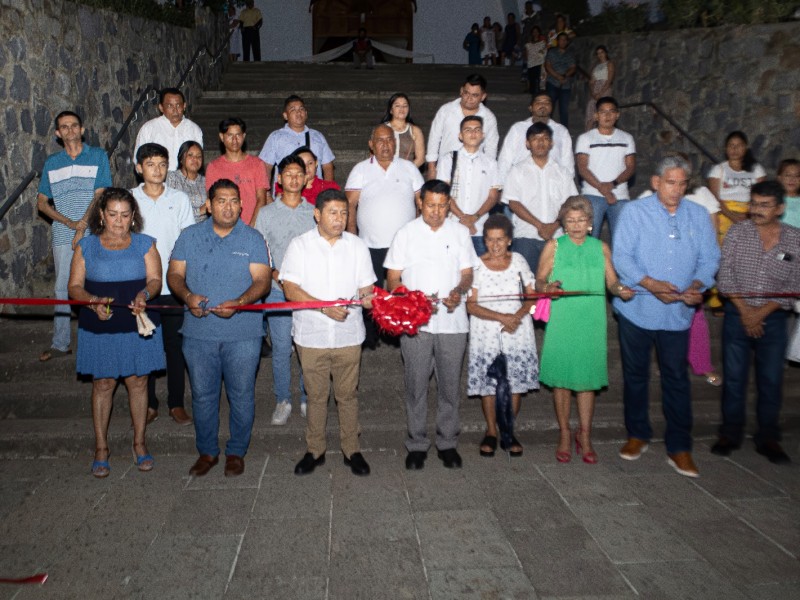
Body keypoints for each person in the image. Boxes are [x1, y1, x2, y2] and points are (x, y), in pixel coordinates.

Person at [612, 156, 720, 478]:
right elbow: (622, 258)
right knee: (635, 376)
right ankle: (637, 434)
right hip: (637, 311)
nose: (676, 189)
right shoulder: (634, 212)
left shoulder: (698, 215)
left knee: (676, 378)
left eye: (682, 183)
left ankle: (679, 447)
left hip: (677, 314)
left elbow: (710, 257)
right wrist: (650, 284)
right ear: (656, 183)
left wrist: (698, 284)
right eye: (670, 182)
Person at [168, 179, 272, 478]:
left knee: (241, 394)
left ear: (242, 205)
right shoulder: (189, 236)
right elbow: (174, 274)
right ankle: (207, 451)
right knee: (202, 395)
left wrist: (239, 302)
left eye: (234, 200)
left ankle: (237, 451)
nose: (229, 206)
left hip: (243, 333)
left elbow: (262, 281)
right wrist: (187, 296)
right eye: (222, 200)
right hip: (199, 332)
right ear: (209, 205)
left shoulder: (253, 238)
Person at [67, 188, 164, 477]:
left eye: (125, 215)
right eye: (112, 215)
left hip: (137, 320)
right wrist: (92, 301)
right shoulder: (87, 246)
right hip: (101, 322)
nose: (119, 221)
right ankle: (101, 448)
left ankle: (140, 443)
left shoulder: (146, 244)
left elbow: (156, 279)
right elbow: (74, 287)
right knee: (104, 383)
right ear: (101, 214)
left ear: (133, 216)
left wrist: (145, 294)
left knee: (138, 382)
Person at [385, 180, 480, 470]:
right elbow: (392, 278)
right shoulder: (406, 233)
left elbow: (467, 274)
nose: (436, 211)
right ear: (420, 203)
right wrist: (410, 298)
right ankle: (416, 444)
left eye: (442, 205)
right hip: (417, 324)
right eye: (430, 205)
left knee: (450, 385)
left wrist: (459, 292)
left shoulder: (461, 232)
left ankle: (448, 442)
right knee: (416, 385)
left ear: (449, 204)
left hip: (453, 322)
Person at [282, 189, 377, 477]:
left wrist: (369, 297)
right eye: (333, 213)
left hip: (349, 334)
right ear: (317, 214)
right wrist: (324, 308)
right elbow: (290, 289)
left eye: (344, 213)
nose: (339, 219)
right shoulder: (300, 246)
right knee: (316, 395)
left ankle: (352, 449)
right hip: (312, 335)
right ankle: (315, 450)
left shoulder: (357, 246)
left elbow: (366, 287)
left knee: (348, 395)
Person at [536, 196, 633, 464]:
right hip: (563, 318)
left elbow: (612, 283)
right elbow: (539, 281)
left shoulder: (601, 247)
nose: (576, 225)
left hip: (591, 319)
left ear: (591, 223)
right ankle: (565, 434)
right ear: (564, 224)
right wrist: (547, 288)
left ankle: (585, 435)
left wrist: (621, 291)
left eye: (581, 220)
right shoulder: (553, 246)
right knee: (562, 381)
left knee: (588, 380)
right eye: (570, 220)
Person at [713, 181, 800, 464]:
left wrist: (760, 313)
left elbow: (795, 284)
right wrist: (745, 311)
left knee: (771, 380)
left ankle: (768, 438)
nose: (757, 210)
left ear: (780, 208)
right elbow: (724, 277)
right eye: (754, 204)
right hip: (738, 315)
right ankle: (730, 433)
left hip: (773, 319)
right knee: (735, 379)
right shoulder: (738, 232)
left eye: (764, 205)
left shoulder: (794, 239)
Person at [37, 111, 112, 362]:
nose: (70, 130)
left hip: (93, 230)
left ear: (82, 129)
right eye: (64, 127)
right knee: (62, 287)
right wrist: (69, 223)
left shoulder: (98, 156)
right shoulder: (52, 162)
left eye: (74, 126)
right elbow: (42, 204)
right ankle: (60, 343)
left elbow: (100, 194)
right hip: (62, 232)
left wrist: (82, 226)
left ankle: (102, 337)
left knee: (96, 283)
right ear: (58, 134)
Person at [132, 143, 196, 426]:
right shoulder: (129, 200)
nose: (156, 170)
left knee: (175, 346)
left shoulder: (179, 198)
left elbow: (187, 238)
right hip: (140, 285)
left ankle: (176, 403)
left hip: (173, 284)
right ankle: (149, 404)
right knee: (144, 344)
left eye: (161, 164)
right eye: (150, 164)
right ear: (139, 168)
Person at [345, 124, 424, 348]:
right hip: (370, 243)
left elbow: (421, 202)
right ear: (371, 144)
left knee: (401, 289)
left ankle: (400, 330)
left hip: (403, 245)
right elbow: (350, 204)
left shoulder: (409, 168)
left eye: (389, 139)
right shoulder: (360, 169)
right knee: (370, 290)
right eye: (380, 140)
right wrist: (352, 236)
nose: (385, 144)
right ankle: (370, 335)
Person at [466, 214, 538, 458]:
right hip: (486, 329)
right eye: (490, 240)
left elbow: (531, 296)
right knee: (489, 385)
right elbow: (471, 306)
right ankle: (491, 432)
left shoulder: (518, 260)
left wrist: (516, 316)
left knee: (514, 382)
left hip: (516, 329)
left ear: (509, 240)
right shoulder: (476, 264)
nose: (495, 245)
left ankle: (508, 430)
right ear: (484, 240)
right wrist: (501, 318)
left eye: (500, 240)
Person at [254, 155, 316, 425]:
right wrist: (277, 275)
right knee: (280, 347)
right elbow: (260, 251)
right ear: (278, 179)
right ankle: (283, 399)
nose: (293, 178)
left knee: (306, 346)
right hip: (277, 289)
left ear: (305, 178)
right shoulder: (266, 213)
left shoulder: (314, 211)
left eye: (297, 173)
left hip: (307, 289)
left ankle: (306, 398)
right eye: (287, 173)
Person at [502, 122, 577, 275]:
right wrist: (540, 225)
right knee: (528, 286)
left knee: (555, 284)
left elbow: (571, 204)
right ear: (527, 143)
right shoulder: (517, 171)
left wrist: (555, 225)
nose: (540, 142)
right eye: (535, 138)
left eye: (545, 138)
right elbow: (513, 203)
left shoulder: (562, 172)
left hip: (557, 236)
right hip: (526, 236)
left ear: (551, 143)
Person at [436, 116, 502, 256]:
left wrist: (474, 218)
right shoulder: (448, 159)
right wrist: (463, 218)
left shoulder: (491, 163)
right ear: (460, 135)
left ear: (482, 135)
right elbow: (443, 193)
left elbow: (493, 196)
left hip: (479, 229)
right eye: (468, 130)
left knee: (479, 273)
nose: (473, 133)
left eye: (477, 130)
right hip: (452, 226)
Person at [575, 96, 636, 240]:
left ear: (617, 115)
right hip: (592, 194)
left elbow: (630, 167)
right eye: (603, 112)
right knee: (589, 239)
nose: (607, 116)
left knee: (622, 240)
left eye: (611, 112)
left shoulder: (627, 138)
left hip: (619, 195)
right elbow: (582, 167)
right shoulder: (586, 138)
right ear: (596, 115)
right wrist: (601, 187)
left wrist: (612, 184)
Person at [425, 74, 499, 181]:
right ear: (461, 91)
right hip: (445, 171)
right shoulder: (446, 110)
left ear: (483, 96)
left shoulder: (488, 118)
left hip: (474, 173)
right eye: (466, 93)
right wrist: (432, 168)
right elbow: (434, 138)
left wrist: (487, 174)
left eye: (475, 95)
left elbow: (491, 149)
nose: (469, 98)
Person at [258, 95, 336, 185]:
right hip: (286, 194)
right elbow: (266, 167)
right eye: (293, 110)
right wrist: (267, 194)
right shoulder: (276, 137)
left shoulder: (318, 136)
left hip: (315, 193)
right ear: (285, 115)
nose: (298, 113)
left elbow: (327, 166)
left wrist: (328, 191)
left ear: (306, 113)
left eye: (301, 109)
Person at [497, 92, 574, 182]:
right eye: (538, 102)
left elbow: (567, 161)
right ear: (531, 108)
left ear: (552, 108)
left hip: (551, 182)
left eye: (547, 103)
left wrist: (568, 184)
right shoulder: (518, 129)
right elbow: (505, 158)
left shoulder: (561, 131)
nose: (543, 105)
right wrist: (501, 184)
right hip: (521, 181)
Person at [205, 117, 269, 226]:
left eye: (238, 135)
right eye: (230, 135)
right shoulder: (213, 167)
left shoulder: (257, 164)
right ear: (222, 137)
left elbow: (261, 199)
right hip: (224, 227)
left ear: (243, 136)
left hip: (253, 226)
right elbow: (213, 200)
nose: (234, 140)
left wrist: (251, 228)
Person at [707, 130, 766, 243]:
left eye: (739, 145)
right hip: (724, 211)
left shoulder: (756, 169)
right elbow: (714, 198)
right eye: (731, 145)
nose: (734, 149)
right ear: (726, 148)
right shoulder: (718, 169)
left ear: (745, 147)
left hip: (750, 212)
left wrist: (748, 214)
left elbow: (761, 195)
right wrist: (731, 215)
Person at [134, 88, 203, 172]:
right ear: (161, 107)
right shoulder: (149, 128)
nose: (175, 110)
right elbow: (138, 160)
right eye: (170, 105)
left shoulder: (194, 129)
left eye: (178, 105)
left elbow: (198, 160)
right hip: (158, 181)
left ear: (184, 106)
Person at [273, 146, 339, 206]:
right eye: (303, 164)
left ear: (316, 163)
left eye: (310, 163)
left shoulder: (329, 187)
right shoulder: (287, 187)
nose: (307, 167)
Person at [381, 93, 426, 169]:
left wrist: (405, 171)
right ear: (391, 110)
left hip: (407, 175)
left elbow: (420, 159)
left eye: (405, 106)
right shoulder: (381, 129)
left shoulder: (415, 130)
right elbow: (373, 155)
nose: (402, 109)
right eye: (397, 106)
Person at [166, 140, 207, 223]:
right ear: (181, 158)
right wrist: (200, 211)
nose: (195, 159)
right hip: (180, 229)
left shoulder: (205, 181)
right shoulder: (172, 177)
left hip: (203, 229)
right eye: (190, 155)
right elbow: (172, 209)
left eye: (199, 156)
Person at [544, 33, 576, 127]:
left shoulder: (570, 54)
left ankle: (564, 130)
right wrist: (558, 76)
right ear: (557, 41)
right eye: (561, 39)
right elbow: (548, 66)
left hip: (565, 85)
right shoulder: (551, 52)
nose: (563, 41)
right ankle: (546, 127)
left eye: (565, 39)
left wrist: (565, 76)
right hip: (552, 83)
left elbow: (573, 67)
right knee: (549, 107)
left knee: (564, 110)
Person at [585, 46, 615, 131]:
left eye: (602, 52)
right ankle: (589, 133)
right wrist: (593, 92)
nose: (600, 55)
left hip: (605, 89)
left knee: (603, 110)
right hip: (595, 89)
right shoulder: (596, 66)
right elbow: (591, 81)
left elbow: (609, 80)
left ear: (605, 53)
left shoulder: (609, 64)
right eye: (598, 53)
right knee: (591, 109)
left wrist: (601, 93)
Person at [524, 26, 547, 94]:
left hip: (540, 64)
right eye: (534, 32)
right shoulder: (528, 44)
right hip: (531, 65)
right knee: (532, 81)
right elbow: (526, 55)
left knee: (539, 82)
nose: (535, 33)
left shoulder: (542, 43)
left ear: (539, 33)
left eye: (537, 31)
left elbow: (544, 52)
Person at [778, 158, 800, 227]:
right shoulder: (773, 199)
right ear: (779, 178)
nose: (792, 179)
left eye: (797, 176)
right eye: (788, 175)